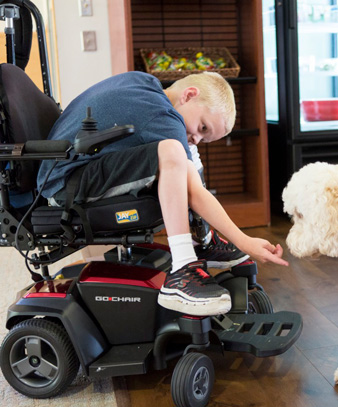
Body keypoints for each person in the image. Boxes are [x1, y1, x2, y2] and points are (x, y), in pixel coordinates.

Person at [37, 71, 288, 316]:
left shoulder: (147, 85)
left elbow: (192, 169)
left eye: (204, 138)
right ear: (189, 95)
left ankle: (203, 240)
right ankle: (181, 270)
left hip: (65, 171)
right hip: (64, 185)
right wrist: (243, 241)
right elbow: (193, 190)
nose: (198, 139)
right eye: (202, 127)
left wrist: (205, 232)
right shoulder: (162, 117)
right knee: (172, 152)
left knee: (178, 155)